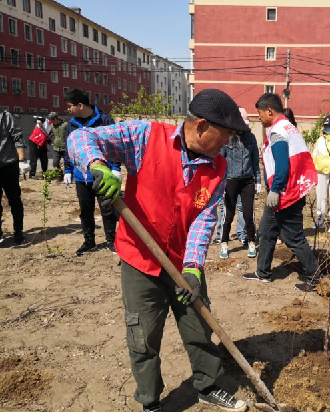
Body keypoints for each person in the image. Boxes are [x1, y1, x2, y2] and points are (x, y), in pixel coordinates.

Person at [67, 88, 248, 412]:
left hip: (182, 263)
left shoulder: (217, 168)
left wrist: (193, 268)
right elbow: (81, 140)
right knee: (144, 336)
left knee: (199, 327)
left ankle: (206, 385)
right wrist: (98, 166)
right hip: (139, 260)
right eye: (226, 135)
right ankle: (150, 402)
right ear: (203, 127)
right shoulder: (146, 136)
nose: (228, 143)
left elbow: (203, 220)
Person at [244, 93, 319, 291]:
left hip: (286, 193)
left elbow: (282, 165)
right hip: (292, 189)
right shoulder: (289, 127)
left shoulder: (278, 131)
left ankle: (314, 276)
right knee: (266, 232)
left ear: (269, 111)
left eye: (259, 113)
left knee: (293, 237)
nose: (258, 117)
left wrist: (275, 190)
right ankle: (263, 272)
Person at [63, 88, 121, 256]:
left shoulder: (104, 120)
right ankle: (89, 242)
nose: (68, 110)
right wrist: (68, 169)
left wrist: (116, 168)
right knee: (86, 210)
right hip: (82, 176)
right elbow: (69, 149)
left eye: (69, 106)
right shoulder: (71, 124)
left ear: (80, 105)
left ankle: (112, 241)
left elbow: (115, 144)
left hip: (104, 174)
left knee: (108, 209)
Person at [219, 108, 261, 259]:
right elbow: (221, 162)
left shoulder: (251, 138)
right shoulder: (228, 138)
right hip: (231, 180)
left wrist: (258, 181)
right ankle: (224, 242)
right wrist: (221, 182)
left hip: (248, 180)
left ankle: (251, 241)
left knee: (249, 214)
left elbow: (255, 161)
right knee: (229, 214)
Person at [0, 109, 28, 245]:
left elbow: (17, 136)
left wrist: (22, 160)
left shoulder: (5, 116)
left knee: (14, 200)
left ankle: (18, 232)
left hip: (8, 165)